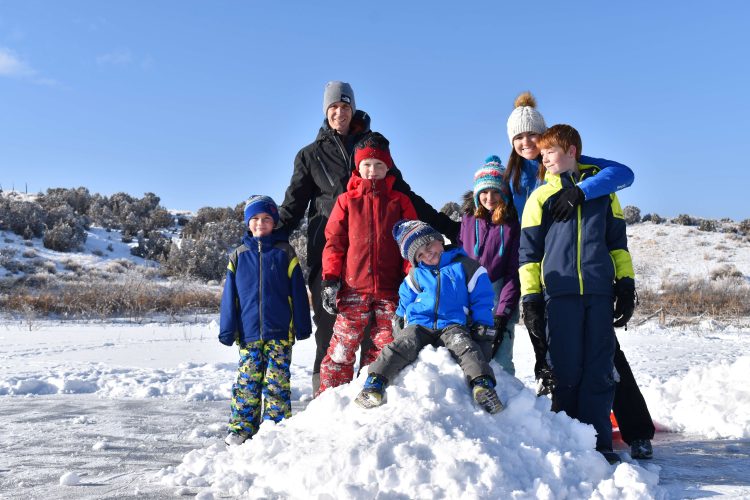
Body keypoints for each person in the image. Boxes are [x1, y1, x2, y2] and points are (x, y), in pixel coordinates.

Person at [278, 81, 459, 395]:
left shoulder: (374, 149)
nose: (339, 112)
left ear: (352, 109)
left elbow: (407, 199)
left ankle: (369, 398)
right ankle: (327, 404)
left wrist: (451, 228)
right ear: (326, 111)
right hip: (330, 258)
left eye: (344, 106)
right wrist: (266, 237)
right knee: (332, 333)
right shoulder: (311, 155)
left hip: (382, 264)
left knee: (378, 336)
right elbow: (292, 206)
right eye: (333, 107)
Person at [505, 91, 654, 460]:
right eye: (521, 140)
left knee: (603, 367)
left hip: (597, 288)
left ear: (565, 148)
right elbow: (524, 247)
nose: (532, 147)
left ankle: (614, 439)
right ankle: (565, 440)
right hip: (555, 286)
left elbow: (618, 237)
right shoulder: (520, 183)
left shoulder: (596, 183)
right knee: (559, 365)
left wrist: (625, 283)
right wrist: (530, 297)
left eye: (537, 141)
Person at [354, 220, 504, 415]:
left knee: (465, 347)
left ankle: (482, 385)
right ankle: (375, 383)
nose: (427, 255)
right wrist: (399, 322)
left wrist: (483, 326)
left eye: (428, 246)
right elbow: (405, 302)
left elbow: (482, 299)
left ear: (439, 240)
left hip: (452, 324)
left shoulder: (466, 267)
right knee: (400, 346)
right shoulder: (416, 275)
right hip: (420, 324)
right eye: (420, 255)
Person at [316, 132, 418, 394]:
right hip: (352, 289)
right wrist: (330, 279)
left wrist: (413, 280)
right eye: (367, 165)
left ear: (388, 167)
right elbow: (334, 243)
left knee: (385, 347)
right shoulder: (346, 202)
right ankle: (330, 402)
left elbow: (411, 248)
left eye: (379, 165)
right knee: (342, 348)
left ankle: (372, 397)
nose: (373, 171)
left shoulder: (400, 202)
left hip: (390, 290)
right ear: (358, 168)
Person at [218, 195, 312, 446]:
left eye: (267, 218)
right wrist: (228, 329)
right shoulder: (238, 256)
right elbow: (230, 297)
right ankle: (242, 427)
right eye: (255, 219)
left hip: (280, 332)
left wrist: (303, 325)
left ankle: (276, 428)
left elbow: (298, 292)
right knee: (247, 383)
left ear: (274, 222)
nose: (261, 223)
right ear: (248, 223)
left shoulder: (285, 253)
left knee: (277, 382)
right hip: (248, 335)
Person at [457, 156, 520, 375]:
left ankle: (508, 404)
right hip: (469, 294)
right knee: (469, 357)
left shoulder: (512, 224)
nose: (489, 198)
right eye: (484, 192)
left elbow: (514, 272)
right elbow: (458, 256)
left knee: (501, 361)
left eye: (495, 192)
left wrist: (503, 313)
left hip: (499, 293)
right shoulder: (468, 219)